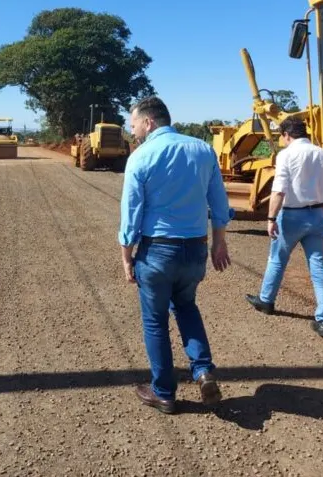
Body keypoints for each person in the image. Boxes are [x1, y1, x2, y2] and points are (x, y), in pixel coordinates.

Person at [118, 96, 232, 415]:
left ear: (149, 122)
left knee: (155, 321)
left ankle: (164, 392)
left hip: (157, 251)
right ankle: (203, 370)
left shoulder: (141, 157)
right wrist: (218, 243)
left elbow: (131, 214)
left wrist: (127, 256)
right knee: (186, 306)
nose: (133, 129)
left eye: (134, 123)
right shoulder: (203, 149)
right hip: (194, 248)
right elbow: (219, 204)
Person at [244, 117, 323, 337]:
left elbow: (279, 190)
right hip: (317, 214)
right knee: (319, 267)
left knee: (277, 259)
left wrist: (270, 218)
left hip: (292, 216)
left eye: (282, 137)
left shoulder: (286, 155)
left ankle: (266, 300)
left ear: (286, 134)